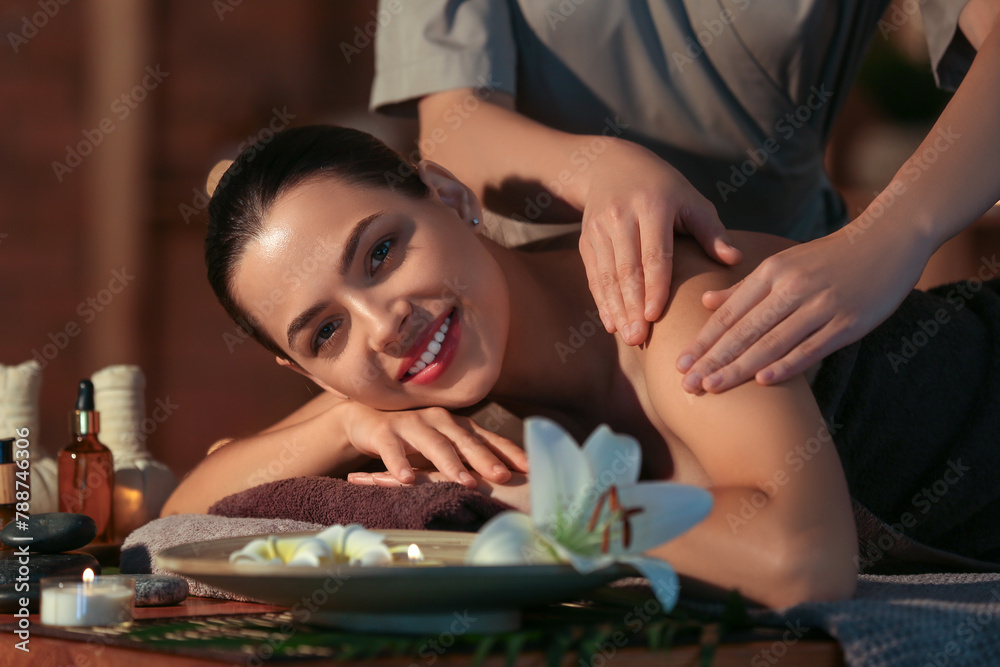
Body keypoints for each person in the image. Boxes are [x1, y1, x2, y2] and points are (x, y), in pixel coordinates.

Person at [163, 126, 1000, 608]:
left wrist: (534, 502)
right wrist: (345, 423)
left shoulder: (664, 304)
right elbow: (183, 516)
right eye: (324, 333)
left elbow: (805, 559)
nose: (383, 325)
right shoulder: (416, 381)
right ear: (307, 370)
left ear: (450, 197)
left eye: (382, 251)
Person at [369, 0, 1000, 395]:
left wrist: (892, 235)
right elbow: (456, 124)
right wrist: (601, 170)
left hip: (789, 315)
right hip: (542, 337)